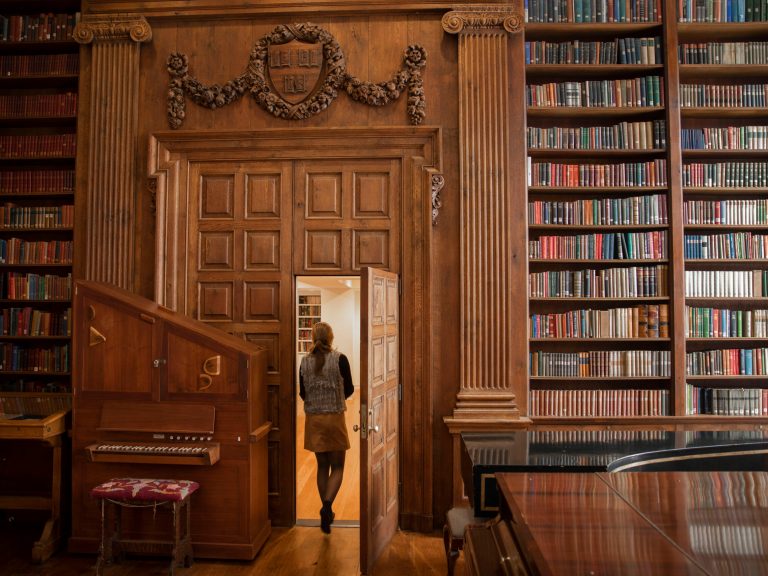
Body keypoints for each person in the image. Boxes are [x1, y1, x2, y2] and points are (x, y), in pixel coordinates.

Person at [299, 321, 354, 534]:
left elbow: (303, 393)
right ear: (330, 337)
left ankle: (325, 510)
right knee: (338, 467)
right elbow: (348, 389)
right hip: (334, 418)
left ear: (313, 337)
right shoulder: (340, 359)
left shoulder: (304, 362)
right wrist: (335, 399)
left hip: (314, 420)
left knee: (322, 466)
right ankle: (328, 506)